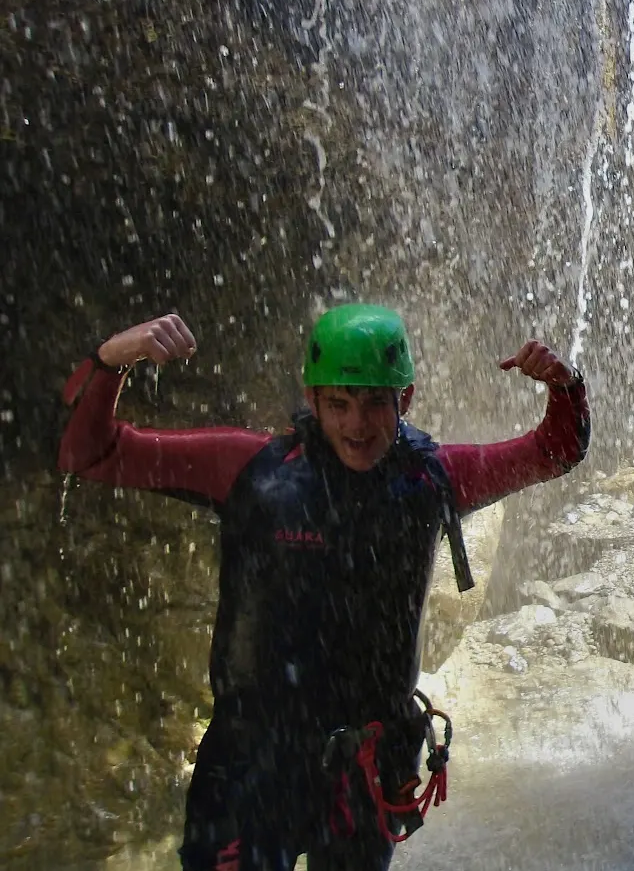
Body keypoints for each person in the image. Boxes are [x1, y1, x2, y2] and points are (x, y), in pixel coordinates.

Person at [57, 305, 590, 871]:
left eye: (374, 403)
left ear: (403, 400)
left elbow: (555, 450)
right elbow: (88, 452)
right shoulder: (251, 470)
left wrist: (565, 385)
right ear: (311, 401)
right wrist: (111, 360)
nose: (357, 425)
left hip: (364, 764)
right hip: (252, 763)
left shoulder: (433, 478)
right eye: (339, 403)